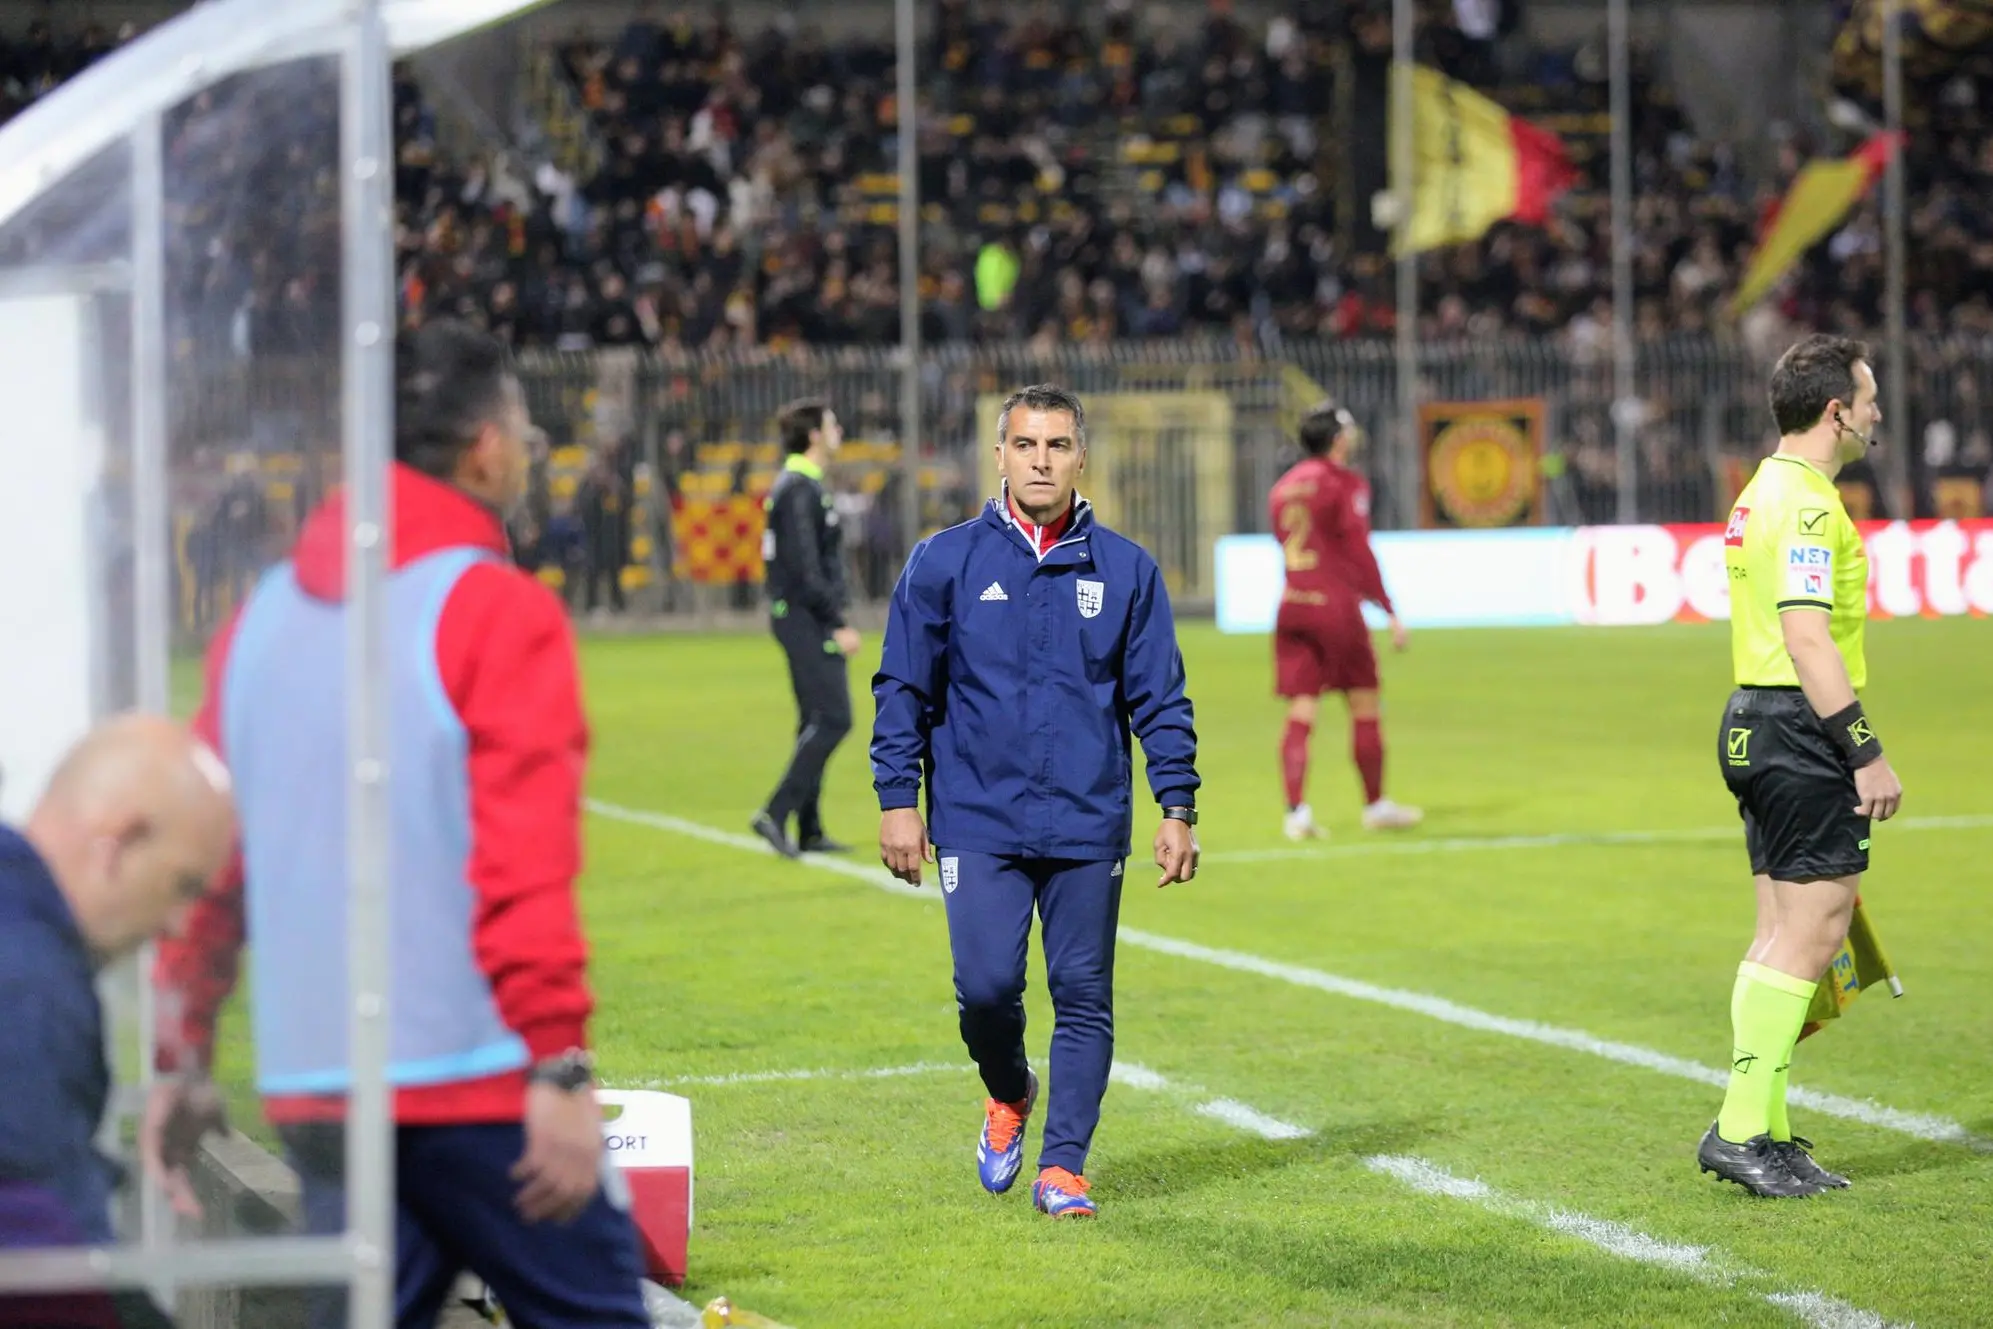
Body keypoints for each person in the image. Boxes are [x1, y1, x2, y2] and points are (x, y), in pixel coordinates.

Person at [150, 320, 649, 1327]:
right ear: (484, 445)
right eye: (519, 424)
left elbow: (206, 865)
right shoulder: (494, 610)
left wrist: (182, 1053)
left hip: (321, 1082)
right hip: (473, 1084)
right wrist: (556, 1062)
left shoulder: (260, 622)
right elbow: (523, 864)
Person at [871, 383, 1201, 1220]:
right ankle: (1010, 1086)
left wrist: (1176, 803)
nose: (1042, 460)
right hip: (978, 817)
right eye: (1026, 445)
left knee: (1083, 991)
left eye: (1057, 445)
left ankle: (1064, 1166)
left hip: (1088, 820)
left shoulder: (1126, 568)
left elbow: (1159, 696)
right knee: (984, 988)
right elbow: (902, 685)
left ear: (1079, 457)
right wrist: (895, 797)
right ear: (1000, 455)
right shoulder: (944, 561)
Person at [1701, 334, 1904, 1198]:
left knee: (1778, 934)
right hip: (1798, 728)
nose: (1875, 411)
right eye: (1866, 397)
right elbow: (1805, 634)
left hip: (1751, 722)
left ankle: (1766, 1129)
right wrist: (1864, 750)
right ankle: (1742, 1128)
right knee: (1813, 936)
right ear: (1834, 411)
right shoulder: (1813, 505)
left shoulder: (1758, 491)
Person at [0, 714, 236, 1328]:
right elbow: (41, 1259)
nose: (179, 926)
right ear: (119, 842)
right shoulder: (28, 985)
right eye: (183, 886)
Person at [1267, 400, 1421, 840]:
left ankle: (1295, 813)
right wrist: (1388, 608)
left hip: (1292, 601)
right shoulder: (1344, 483)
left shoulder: (1282, 488)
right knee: (1364, 702)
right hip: (1334, 607)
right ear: (1338, 439)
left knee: (1302, 708)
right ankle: (1375, 805)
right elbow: (1357, 550)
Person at [750, 397, 860, 859]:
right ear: (814, 434)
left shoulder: (801, 484)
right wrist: (836, 621)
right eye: (832, 424)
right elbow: (806, 568)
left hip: (799, 615)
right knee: (836, 718)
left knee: (813, 720)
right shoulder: (800, 488)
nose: (839, 430)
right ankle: (775, 813)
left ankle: (810, 828)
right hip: (805, 617)